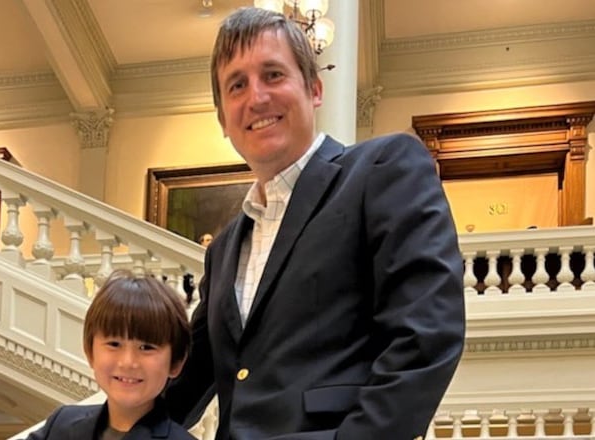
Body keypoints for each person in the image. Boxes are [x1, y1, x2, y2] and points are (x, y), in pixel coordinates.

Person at [165, 7, 465, 440]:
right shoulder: (224, 249)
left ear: (314, 88)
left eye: (273, 74)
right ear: (223, 120)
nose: (256, 97)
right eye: (237, 84)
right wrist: (92, 426)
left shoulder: (382, 169)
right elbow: (184, 382)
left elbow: (426, 339)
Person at [25, 270, 195, 440]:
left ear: (176, 362)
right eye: (114, 344)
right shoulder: (61, 423)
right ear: (89, 351)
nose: (128, 362)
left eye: (146, 347)